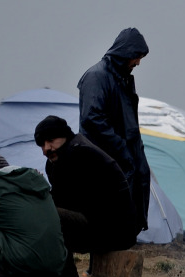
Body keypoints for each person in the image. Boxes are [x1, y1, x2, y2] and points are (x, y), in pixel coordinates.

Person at [35, 115, 138, 277]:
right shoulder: (59, 159)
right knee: (46, 213)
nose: (46, 149)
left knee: (48, 215)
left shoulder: (79, 154)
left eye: (50, 141)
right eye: (42, 145)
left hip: (114, 230)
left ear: (64, 136)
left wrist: (41, 194)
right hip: (98, 222)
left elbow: (69, 201)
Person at [78, 27, 150, 236]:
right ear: (126, 52)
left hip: (125, 150)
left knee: (135, 187)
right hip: (105, 153)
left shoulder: (122, 78)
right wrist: (120, 145)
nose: (138, 62)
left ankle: (127, 235)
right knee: (109, 199)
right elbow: (91, 118)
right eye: (137, 56)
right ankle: (111, 240)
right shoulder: (97, 77)